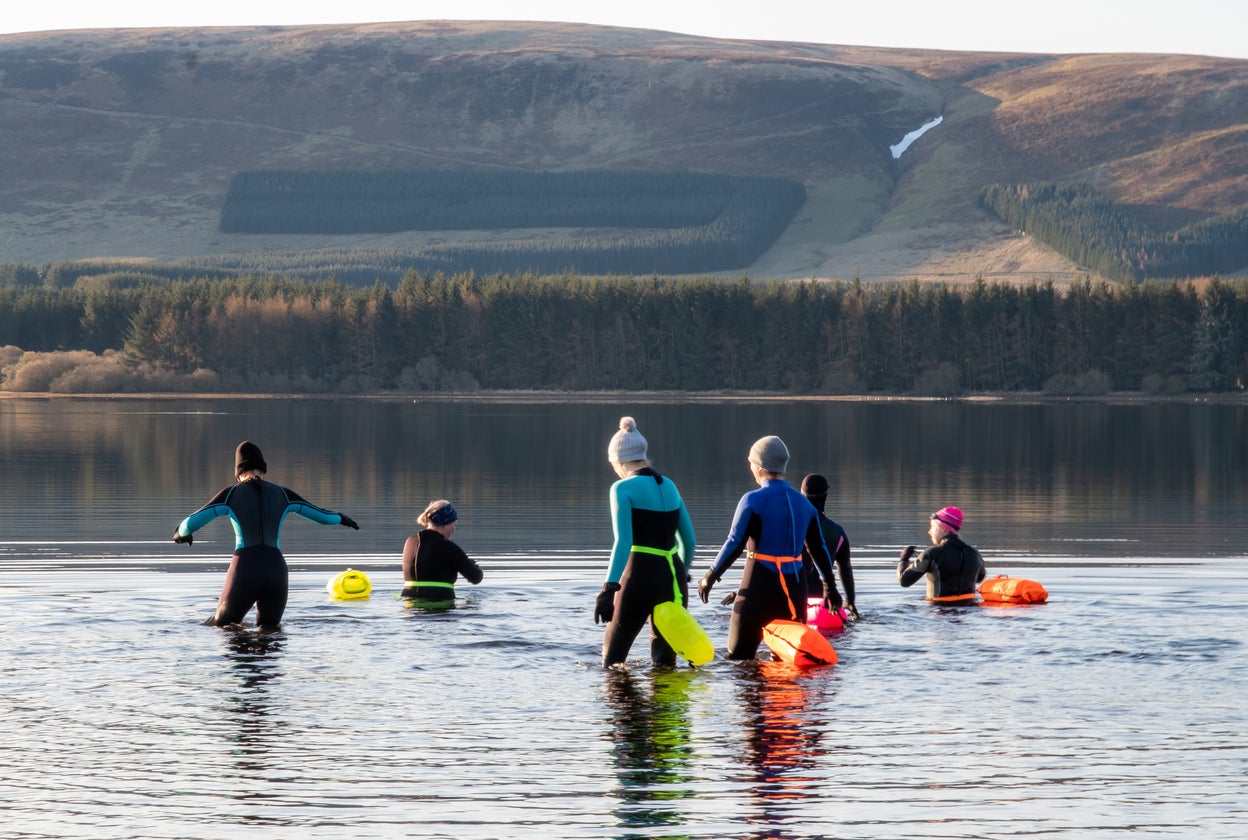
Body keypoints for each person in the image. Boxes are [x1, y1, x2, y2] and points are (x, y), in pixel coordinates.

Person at [173, 441, 360, 628]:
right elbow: (323, 517)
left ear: (238, 471)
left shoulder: (230, 495)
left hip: (245, 569)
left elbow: (190, 523)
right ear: (262, 468)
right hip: (276, 571)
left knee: (222, 626)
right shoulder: (283, 494)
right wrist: (343, 518)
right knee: (269, 635)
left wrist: (181, 534)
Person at [696, 435, 838, 660]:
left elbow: (734, 542)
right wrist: (830, 587)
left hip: (757, 589)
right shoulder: (805, 504)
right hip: (794, 591)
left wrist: (709, 576)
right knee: (787, 662)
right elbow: (818, 548)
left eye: (751, 463)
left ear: (759, 466)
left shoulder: (753, 500)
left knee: (739, 660)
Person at [596, 416, 697, 668]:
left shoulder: (621, 488)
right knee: (665, 667)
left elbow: (623, 541)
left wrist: (608, 590)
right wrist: (681, 572)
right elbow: (690, 540)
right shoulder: (670, 486)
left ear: (618, 461)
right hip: (673, 580)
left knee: (612, 664)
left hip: (638, 579)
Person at [799, 474, 859, 620]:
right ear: (825, 497)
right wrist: (850, 602)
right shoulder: (838, 533)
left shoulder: (791, 527)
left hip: (796, 600)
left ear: (801, 496)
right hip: (826, 605)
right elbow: (845, 569)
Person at [897, 505, 986, 603]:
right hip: (968, 611)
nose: (929, 532)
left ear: (943, 529)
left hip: (937, 611)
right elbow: (979, 578)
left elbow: (904, 581)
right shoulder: (974, 554)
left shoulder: (931, 554)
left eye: (932, 527)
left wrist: (904, 559)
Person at [401, 500, 483, 600]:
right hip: (439, 604)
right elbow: (476, 578)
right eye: (454, 524)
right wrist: (470, 565)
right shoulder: (448, 547)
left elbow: (429, 564)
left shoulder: (410, 542)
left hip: (408, 603)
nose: (454, 528)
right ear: (445, 523)